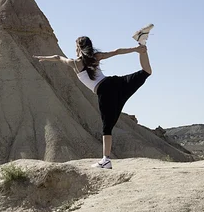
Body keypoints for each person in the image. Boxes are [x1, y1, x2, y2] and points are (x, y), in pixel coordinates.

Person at [34, 24, 154, 169]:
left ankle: (106, 160)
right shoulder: (95, 57)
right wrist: (136, 49)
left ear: (79, 47)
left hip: (105, 91)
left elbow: (59, 58)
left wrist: (45, 58)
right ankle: (141, 43)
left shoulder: (76, 63)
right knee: (146, 72)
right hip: (114, 83)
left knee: (107, 127)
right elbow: (116, 52)